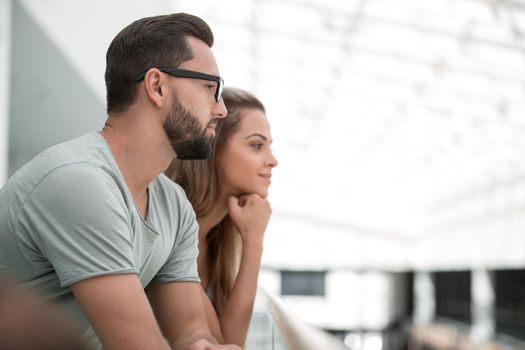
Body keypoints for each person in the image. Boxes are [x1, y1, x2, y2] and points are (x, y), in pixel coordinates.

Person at [0, 13, 241, 350]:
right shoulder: (78, 181)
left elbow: (190, 334)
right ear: (157, 86)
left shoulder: (173, 205)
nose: (221, 110)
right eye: (210, 89)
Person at [166, 87, 278, 347]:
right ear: (213, 147)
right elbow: (229, 342)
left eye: (269, 147)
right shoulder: (173, 229)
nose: (273, 161)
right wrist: (254, 241)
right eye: (256, 145)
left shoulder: (217, 238)